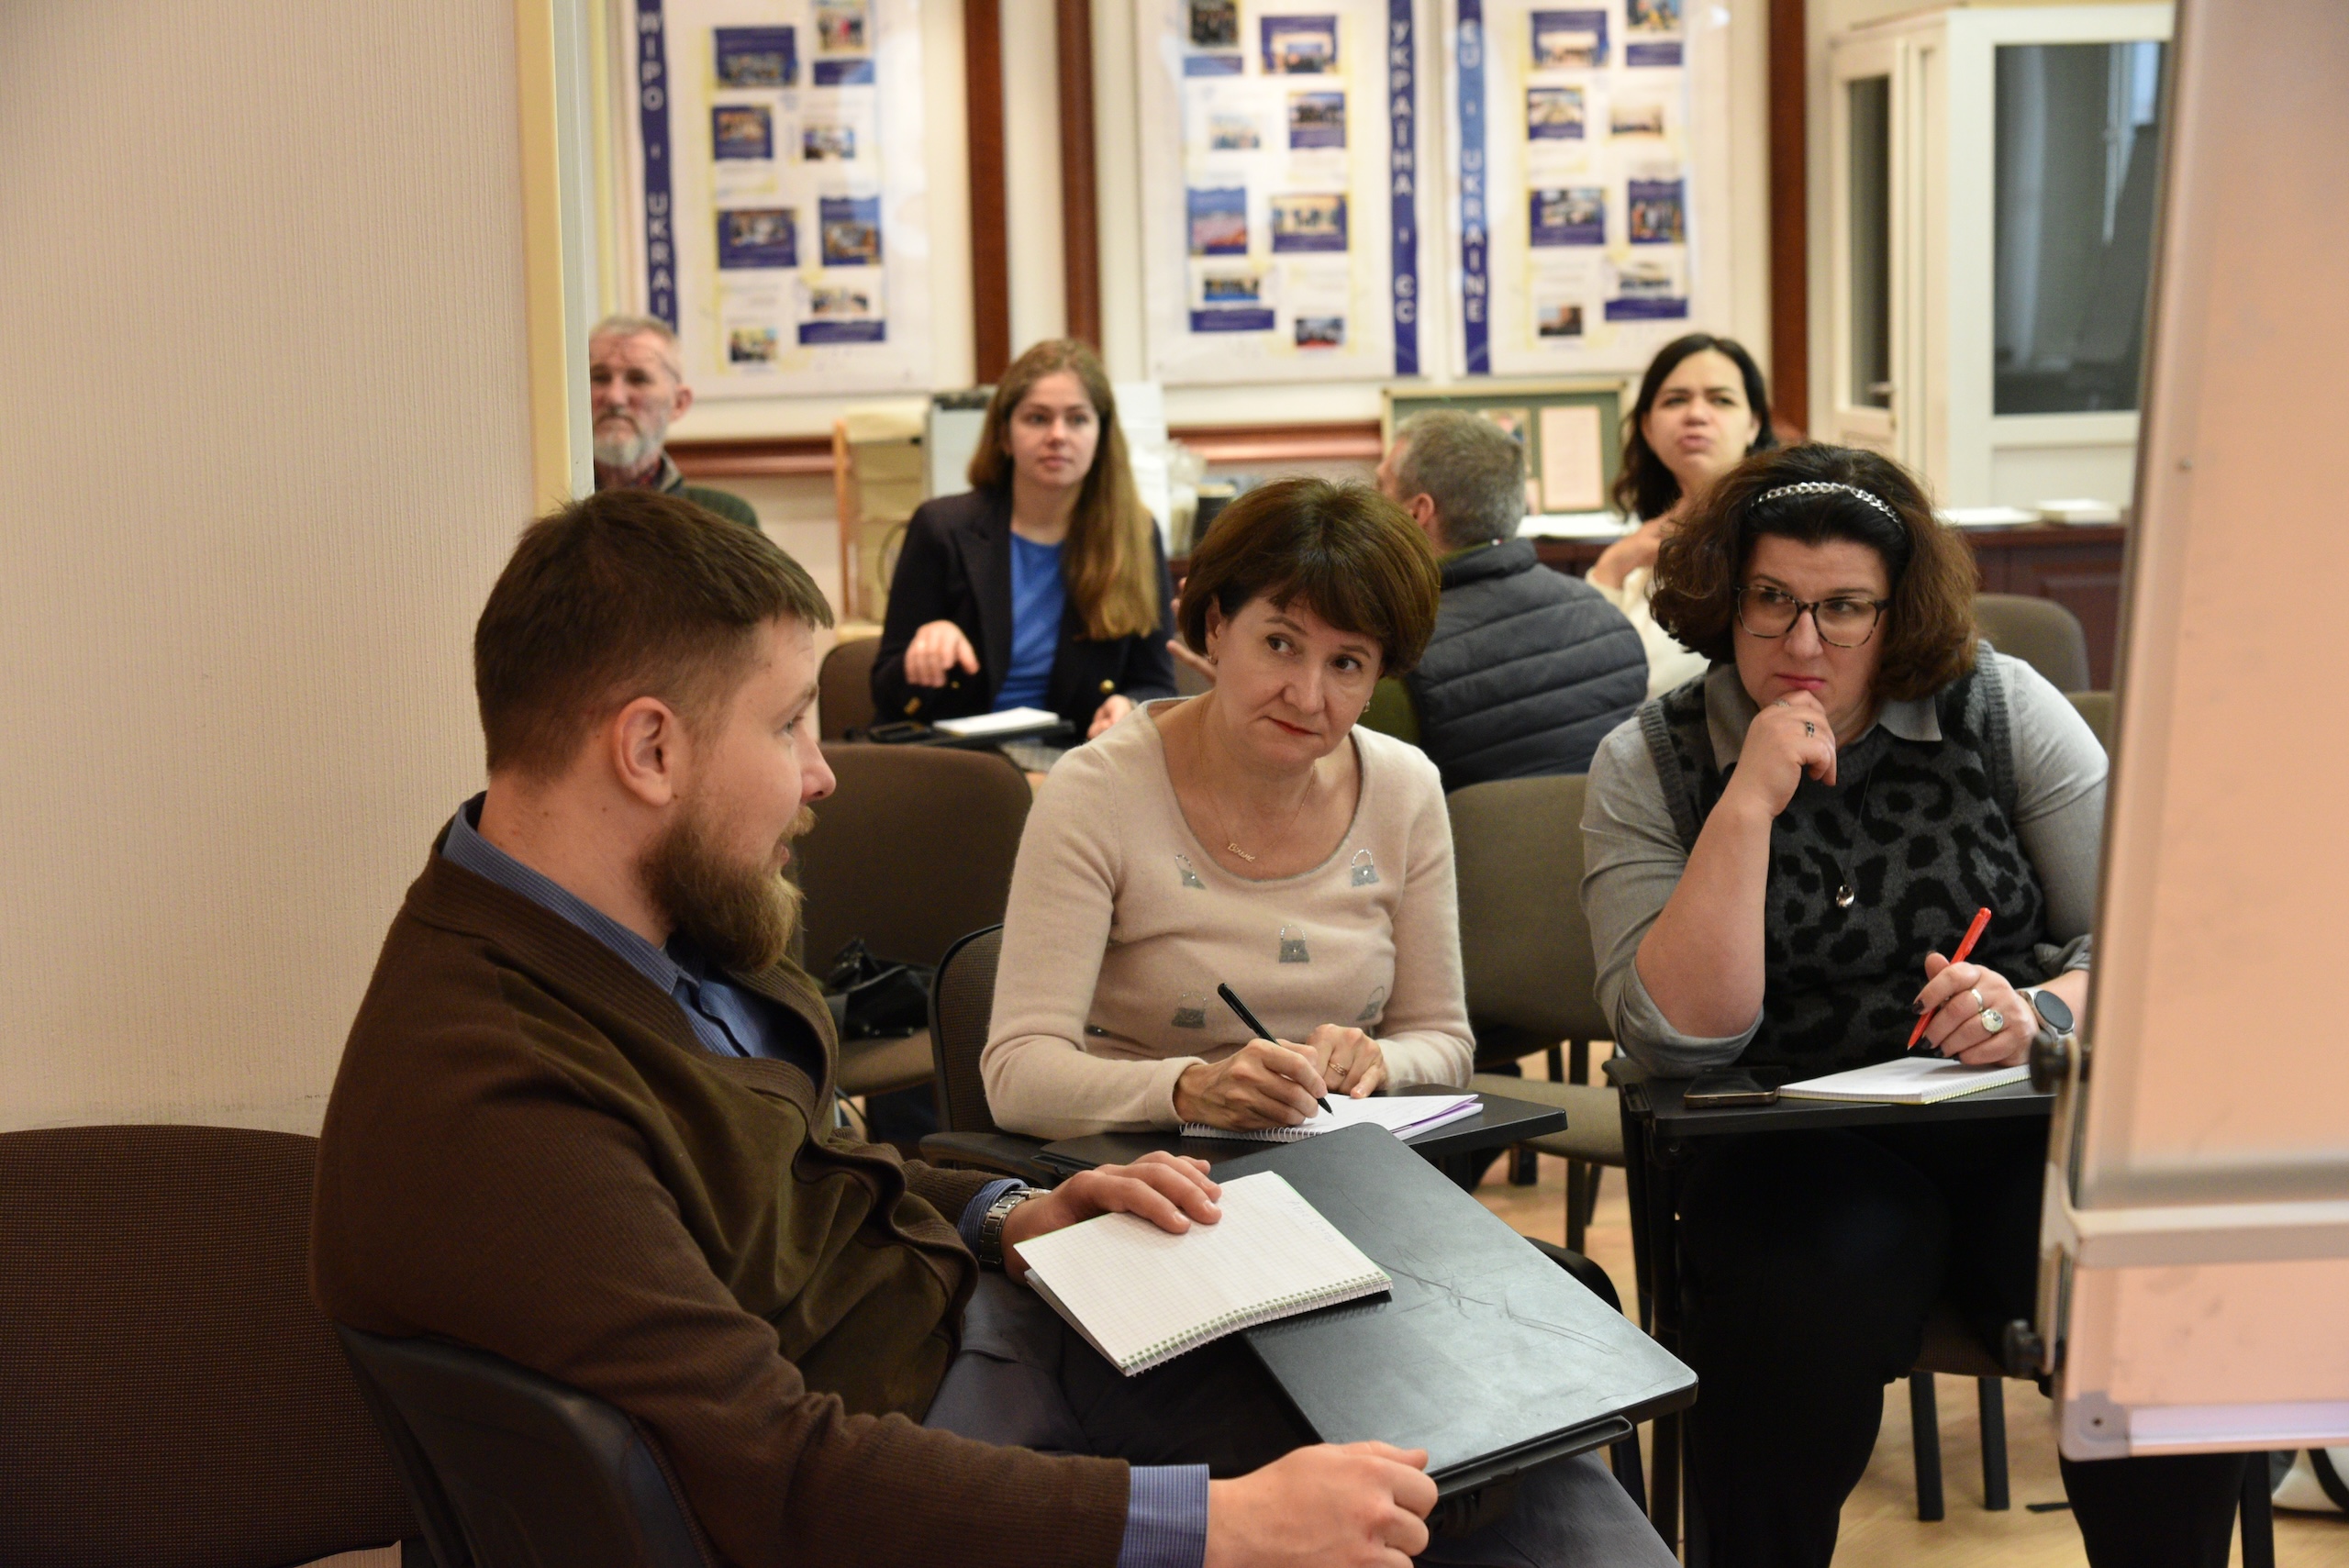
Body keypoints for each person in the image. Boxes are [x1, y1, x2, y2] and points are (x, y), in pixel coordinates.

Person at [311, 487, 1483, 1568]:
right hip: (939, 1459)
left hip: (972, 1338)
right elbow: (781, 1473)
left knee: (1472, 1431)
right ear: (651, 748)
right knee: (1453, 1485)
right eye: (788, 725)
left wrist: (1008, 1213)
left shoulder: (653, 926)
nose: (822, 774)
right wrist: (1225, 1525)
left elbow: (798, 1172)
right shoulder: (504, 1088)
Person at [1578, 443, 2250, 1568]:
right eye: (1771, 600)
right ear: (1724, 596)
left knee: (2149, 1272)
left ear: (1897, 612)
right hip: (1782, 1145)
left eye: (1844, 608)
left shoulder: (1996, 705)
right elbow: (1679, 1034)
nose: (1802, 645)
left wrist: (2039, 1009)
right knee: (1817, 1269)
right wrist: (1746, 802)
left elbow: (2156, 949)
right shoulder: (1651, 757)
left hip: (2010, 1119)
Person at [984, 476, 1475, 1143]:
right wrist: (1189, 1089)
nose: (1306, 696)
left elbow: (1444, 1041)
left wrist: (1381, 1061)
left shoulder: (1404, 788)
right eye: (1280, 644)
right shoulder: (1098, 790)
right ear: (1216, 628)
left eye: (1346, 663)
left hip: (1341, 1162)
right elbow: (1016, 1075)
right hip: (1147, 1167)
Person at [872, 339, 1176, 740]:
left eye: (1077, 419)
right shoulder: (941, 528)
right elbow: (885, 692)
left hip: (1075, 758)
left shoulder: (1136, 534)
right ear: (1004, 435)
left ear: (1102, 436)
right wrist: (923, 656)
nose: (1057, 435)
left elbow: (1156, 684)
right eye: (1037, 418)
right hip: (962, 759)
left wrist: (1130, 706)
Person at [1362, 408, 1646, 788]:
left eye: (1381, 487)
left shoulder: (1398, 653)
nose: (1370, 505)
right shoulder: (1612, 623)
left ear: (1416, 514)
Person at [1586, 333, 1776, 697]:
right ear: (1647, 427)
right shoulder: (1640, 546)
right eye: (1676, 400)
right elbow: (1587, 671)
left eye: (1721, 400)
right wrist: (1613, 566)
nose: (1696, 415)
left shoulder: (1778, 535)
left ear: (1753, 423)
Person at [586, 314, 760, 530]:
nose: (615, 398)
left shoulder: (725, 520)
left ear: (678, 403)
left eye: (638, 379)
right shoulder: (549, 505)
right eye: (599, 377)